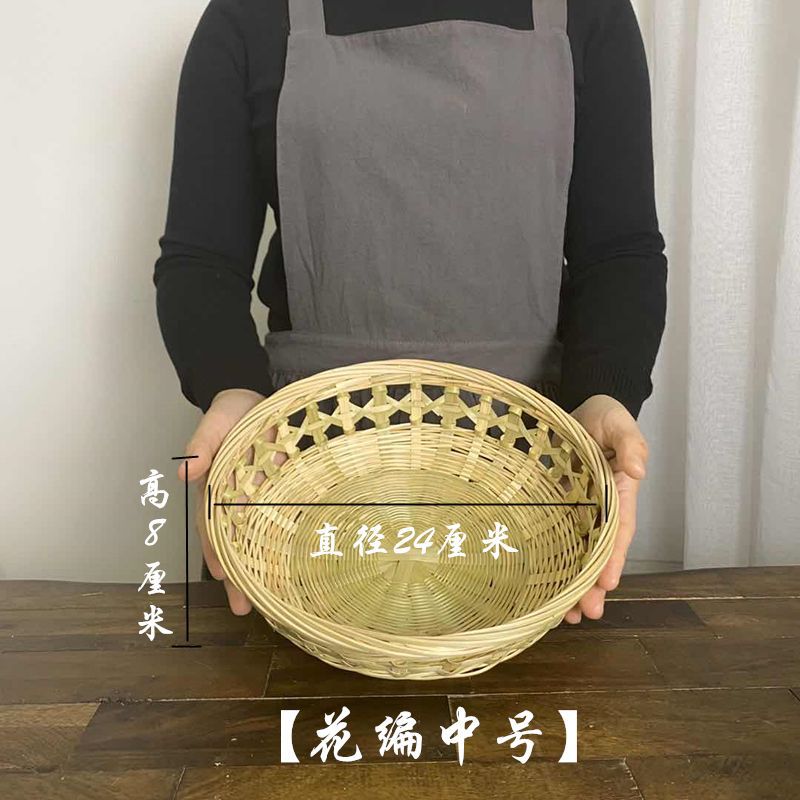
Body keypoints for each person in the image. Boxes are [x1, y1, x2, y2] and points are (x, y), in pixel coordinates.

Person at [154, 0, 666, 624]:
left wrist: (605, 397)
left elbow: (618, 253)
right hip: (302, 477)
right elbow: (201, 260)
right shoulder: (251, 14)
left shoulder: (589, 12)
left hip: (531, 481)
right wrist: (232, 394)